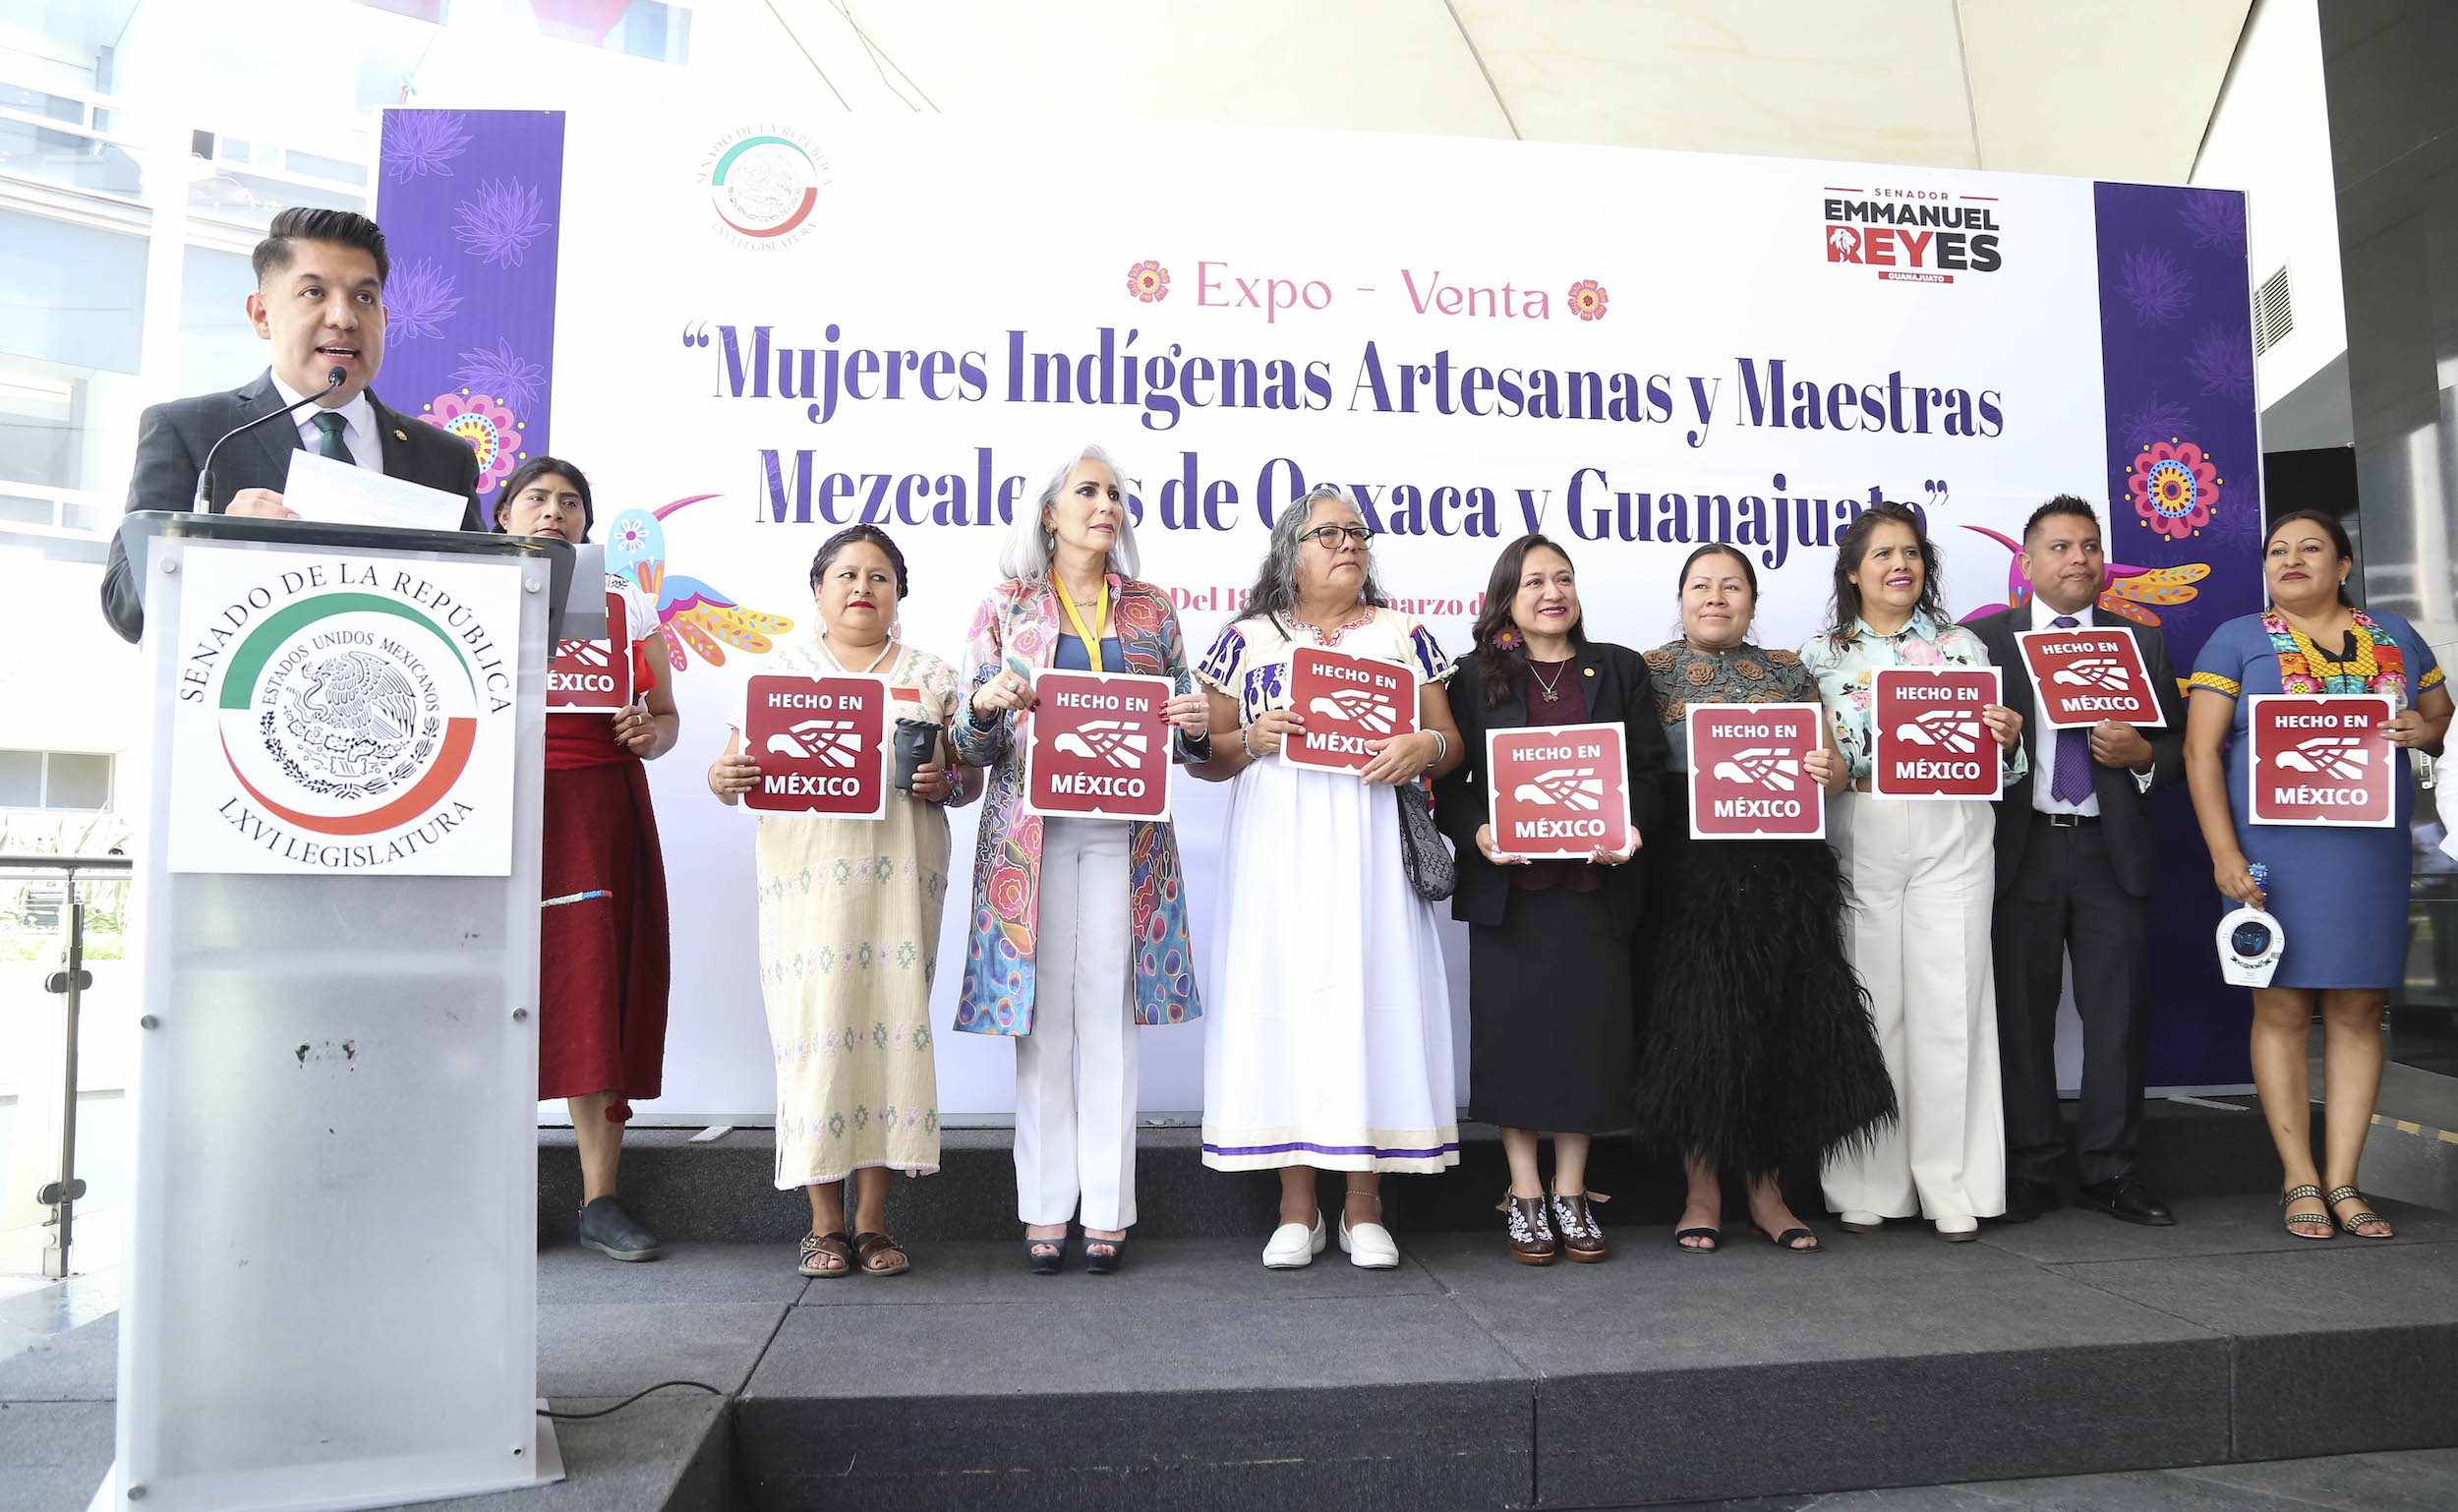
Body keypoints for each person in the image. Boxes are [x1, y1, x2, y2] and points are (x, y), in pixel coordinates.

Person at [951, 444, 1210, 1276]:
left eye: (1116, 493)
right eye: (1088, 490)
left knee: (1109, 1020)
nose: (1106, 504)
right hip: (1032, 839)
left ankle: (1107, 1207)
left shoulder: (1153, 611)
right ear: (1049, 513)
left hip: (1126, 839)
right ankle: (1042, 1209)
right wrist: (988, 704)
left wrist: (1196, 717)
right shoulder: (1005, 605)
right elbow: (966, 740)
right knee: (1041, 1023)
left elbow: (1192, 731)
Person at [1193, 484, 1467, 1270]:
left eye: (1358, 531)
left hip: (1371, 837)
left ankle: (1364, 1207)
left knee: (1366, 994)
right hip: (1277, 843)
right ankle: (1296, 1208)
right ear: (1290, 553)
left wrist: (1426, 750)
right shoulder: (1244, 638)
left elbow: (1449, 740)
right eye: (1328, 533)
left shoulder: (1404, 633)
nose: (1348, 542)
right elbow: (1207, 760)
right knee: (1286, 1000)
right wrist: (1249, 736)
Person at [709, 524, 973, 1278]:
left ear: (900, 593)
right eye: (847, 575)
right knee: (815, 1033)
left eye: (880, 576)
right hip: (807, 886)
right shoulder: (779, 671)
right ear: (818, 589)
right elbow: (728, 771)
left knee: (892, 1031)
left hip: (899, 879)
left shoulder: (932, 675)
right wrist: (723, 780)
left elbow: (967, 779)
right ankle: (823, 1223)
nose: (863, 587)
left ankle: (874, 1223)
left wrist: (946, 783)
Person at [2185, 509, 2450, 1242]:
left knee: (2360, 1008)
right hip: (2271, 853)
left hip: (2368, 852)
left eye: (2310, 549)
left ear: (2344, 566)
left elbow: (2439, 713)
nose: (2291, 560)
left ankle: (2345, 1180)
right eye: (2277, 551)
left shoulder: (2396, 636)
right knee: (2281, 1008)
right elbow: (2200, 753)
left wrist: (2420, 732)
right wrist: (2224, 854)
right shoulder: (2235, 639)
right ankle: (2298, 1176)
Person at [1639, 544, 1895, 1254]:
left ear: (1752, 602)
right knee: (1696, 1031)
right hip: (1689, 877)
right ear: (1681, 598)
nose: (1715, 597)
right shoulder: (1647, 671)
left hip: (1783, 875)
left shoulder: (1790, 670)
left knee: (1780, 1027)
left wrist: (1828, 768)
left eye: (1732, 587)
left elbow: (1836, 772)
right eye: (1701, 586)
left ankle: (1767, 1190)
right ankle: (1701, 1191)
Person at [1434, 535, 1666, 1264]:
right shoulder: (1474, 676)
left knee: (1588, 1046)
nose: (1552, 592)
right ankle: (1525, 1194)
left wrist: (1632, 828)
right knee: (1515, 1046)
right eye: (1534, 581)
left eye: (1563, 578)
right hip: (1514, 893)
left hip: (1596, 891)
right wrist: (1479, 838)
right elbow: (1451, 788)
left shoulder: (1620, 668)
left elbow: (1653, 774)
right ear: (1507, 596)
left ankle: (1573, 1191)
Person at [102, 206, 484, 641]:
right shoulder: (194, 433)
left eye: (364, 297)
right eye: (313, 293)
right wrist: (212, 542)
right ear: (262, 315)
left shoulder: (444, 458)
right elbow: (125, 608)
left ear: (385, 318)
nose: (344, 318)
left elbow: (485, 611)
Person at [1800, 501, 2023, 1241]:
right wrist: (1824, 769)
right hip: (1862, 824)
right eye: (1883, 554)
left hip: (1952, 825)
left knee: (1951, 1000)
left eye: (1912, 553)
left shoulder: (1965, 647)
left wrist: (2007, 737)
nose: (1901, 565)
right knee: (1873, 1001)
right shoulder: (1820, 656)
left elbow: (2005, 763)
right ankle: (1867, 1180)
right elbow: (1812, 763)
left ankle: (1951, 1181)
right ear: (1853, 571)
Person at [1969, 496, 2188, 1227]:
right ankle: (2029, 1168)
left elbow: (2178, 748)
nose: (2079, 559)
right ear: (2026, 564)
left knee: (2117, 1018)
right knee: (2020, 1017)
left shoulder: (2142, 643)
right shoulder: (1983, 644)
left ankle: (2112, 1172)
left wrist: (2142, 758)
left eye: (2090, 546)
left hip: (2108, 850)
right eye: (2060, 547)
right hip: (2018, 849)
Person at [495, 458, 678, 1262]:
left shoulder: (624, 605)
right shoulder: (458, 591)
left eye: (571, 503)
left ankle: (600, 1201)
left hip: (598, 807)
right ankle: (495, 1196)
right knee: (487, 998)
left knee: (594, 992)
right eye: (536, 498)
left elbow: (665, 718)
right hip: (488, 814)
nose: (554, 512)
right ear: (502, 514)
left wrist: (649, 733)